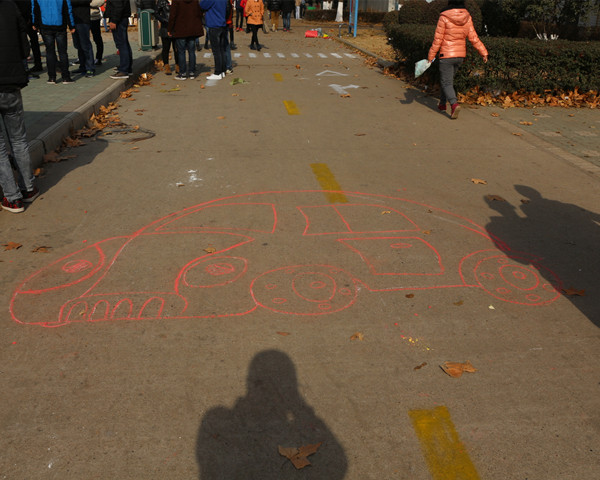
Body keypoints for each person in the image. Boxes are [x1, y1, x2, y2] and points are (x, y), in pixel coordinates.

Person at [0, 0, 39, 213]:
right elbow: (24, 43)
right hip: (12, 81)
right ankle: (28, 188)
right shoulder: (9, 5)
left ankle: (12, 197)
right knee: (18, 139)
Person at [427, 0, 487, 119]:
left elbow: (438, 39)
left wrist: (431, 56)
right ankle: (442, 104)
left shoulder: (444, 17)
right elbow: (473, 38)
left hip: (446, 55)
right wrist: (483, 52)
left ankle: (454, 104)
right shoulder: (467, 17)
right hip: (460, 56)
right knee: (447, 81)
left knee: (446, 82)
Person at [32, 0, 76, 84]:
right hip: (60, 25)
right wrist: (71, 25)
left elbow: (35, 9)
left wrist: (35, 23)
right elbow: (68, 9)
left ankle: (52, 77)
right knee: (62, 52)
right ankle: (66, 77)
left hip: (45, 25)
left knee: (50, 52)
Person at [168, 0, 203, 80]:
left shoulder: (176, 1)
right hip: (192, 29)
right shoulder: (195, 1)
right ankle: (192, 72)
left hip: (180, 29)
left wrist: (170, 28)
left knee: (181, 52)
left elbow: (173, 15)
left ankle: (183, 73)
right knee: (191, 51)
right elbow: (199, 13)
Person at [199, 0, 228, 80]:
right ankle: (222, 70)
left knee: (216, 51)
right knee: (221, 50)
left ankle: (218, 72)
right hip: (222, 24)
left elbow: (202, 5)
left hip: (214, 24)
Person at [105, 0, 133, 79]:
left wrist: (114, 20)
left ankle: (124, 70)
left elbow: (118, 6)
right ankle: (127, 67)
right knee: (124, 44)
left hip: (119, 19)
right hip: (121, 18)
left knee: (122, 44)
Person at [71, 0, 95, 77]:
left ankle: (90, 68)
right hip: (73, 20)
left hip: (83, 20)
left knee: (85, 45)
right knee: (78, 45)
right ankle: (83, 66)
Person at [155, 0, 176, 74]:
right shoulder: (162, 1)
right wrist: (163, 20)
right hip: (165, 27)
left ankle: (178, 65)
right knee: (166, 48)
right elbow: (156, 13)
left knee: (177, 48)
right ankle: (166, 66)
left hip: (176, 27)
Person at [90, 0, 105, 65]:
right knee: (81, 39)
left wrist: (85, 2)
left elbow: (101, 1)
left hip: (94, 18)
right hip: (81, 18)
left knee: (97, 38)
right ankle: (82, 57)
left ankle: (98, 58)